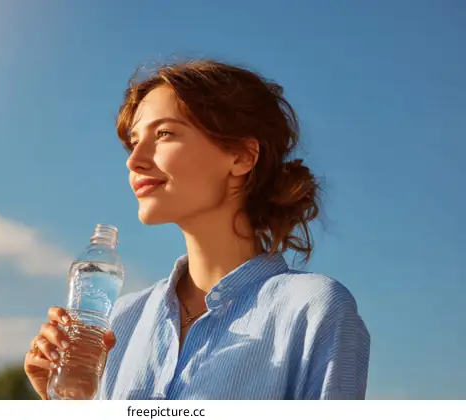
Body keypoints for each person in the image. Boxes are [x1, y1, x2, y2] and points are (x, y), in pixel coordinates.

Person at [24, 59, 371, 400]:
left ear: (241, 156)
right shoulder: (122, 320)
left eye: (163, 133)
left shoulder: (313, 310)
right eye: (133, 142)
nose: (134, 160)